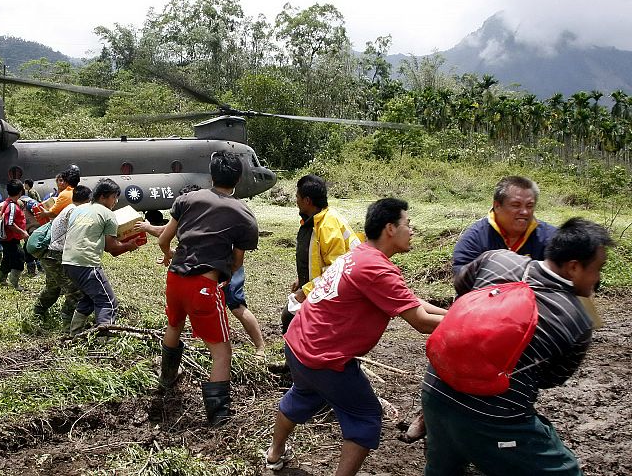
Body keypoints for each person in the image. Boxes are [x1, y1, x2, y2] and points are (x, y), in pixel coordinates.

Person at [265, 198, 446, 475]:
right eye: (407, 224)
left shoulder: (360, 254)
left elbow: (411, 301)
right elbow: (420, 321)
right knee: (366, 416)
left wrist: (455, 312)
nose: (412, 231)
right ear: (390, 228)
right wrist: (468, 321)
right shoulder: (377, 268)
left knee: (303, 395)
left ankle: (274, 454)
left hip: (298, 344)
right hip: (323, 358)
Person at [422, 218, 613, 476]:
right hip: (494, 417)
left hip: (435, 390)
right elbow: (551, 378)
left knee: (443, 470)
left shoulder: (496, 259)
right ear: (574, 267)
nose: (597, 278)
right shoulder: (576, 318)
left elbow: (463, 289)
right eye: (597, 269)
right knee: (565, 471)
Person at [156, 151, 260, 427]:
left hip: (175, 279)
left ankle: (166, 380)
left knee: (174, 325)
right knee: (222, 351)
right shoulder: (243, 213)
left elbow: (164, 239)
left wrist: (168, 255)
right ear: (238, 178)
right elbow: (237, 261)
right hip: (203, 286)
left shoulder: (187, 199)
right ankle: (219, 417)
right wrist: (227, 274)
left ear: (211, 174)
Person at [136, 186, 267, 358]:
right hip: (206, 270)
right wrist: (172, 254)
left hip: (223, 268)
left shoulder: (197, 210)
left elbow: (163, 234)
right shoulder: (196, 211)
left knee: (236, 306)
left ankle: (260, 347)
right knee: (202, 313)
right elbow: (189, 248)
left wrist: (147, 227)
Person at [282, 174, 361, 334]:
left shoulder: (327, 226)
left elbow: (336, 270)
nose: (296, 201)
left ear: (307, 201)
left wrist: (306, 290)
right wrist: (303, 279)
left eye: (297, 197)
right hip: (323, 286)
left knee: (290, 319)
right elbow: (317, 258)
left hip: (340, 292)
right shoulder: (316, 220)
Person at [63, 178, 138, 333]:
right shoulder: (108, 214)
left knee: (90, 298)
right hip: (86, 263)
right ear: (103, 196)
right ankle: (105, 339)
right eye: (114, 197)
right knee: (107, 302)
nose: (116, 201)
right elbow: (111, 247)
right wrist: (128, 245)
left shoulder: (78, 209)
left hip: (68, 261)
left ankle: (75, 333)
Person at [452, 176, 557, 274]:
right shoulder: (475, 238)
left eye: (529, 206)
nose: (525, 212)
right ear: (497, 206)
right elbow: (461, 277)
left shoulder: (551, 237)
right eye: (516, 205)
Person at [32, 184, 91, 329]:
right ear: (87, 200)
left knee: (53, 288)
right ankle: (68, 323)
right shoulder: (75, 211)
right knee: (75, 291)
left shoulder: (69, 207)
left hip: (50, 254)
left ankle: (38, 312)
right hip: (56, 255)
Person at [0, 179, 29, 290]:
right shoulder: (12, 206)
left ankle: (1, 280)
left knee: (7, 258)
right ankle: (14, 283)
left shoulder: (8, 202)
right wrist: (23, 233)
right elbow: (9, 223)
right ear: (20, 192)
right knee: (19, 257)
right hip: (11, 238)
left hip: (7, 238)